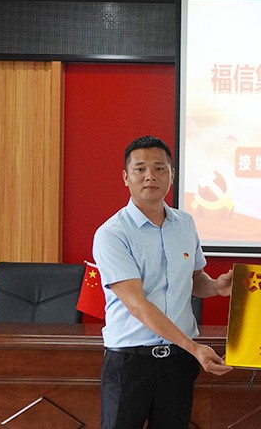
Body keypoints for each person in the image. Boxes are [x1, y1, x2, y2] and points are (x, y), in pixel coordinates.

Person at [93, 135, 234, 429]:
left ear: (172, 175)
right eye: (140, 169)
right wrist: (194, 347)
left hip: (177, 363)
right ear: (126, 177)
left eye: (159, 168)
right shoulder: (112, 234)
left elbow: (194, 279)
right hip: (130, 363)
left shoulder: (185, 223)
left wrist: (217, 287)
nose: (150, 176)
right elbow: (137, 305)